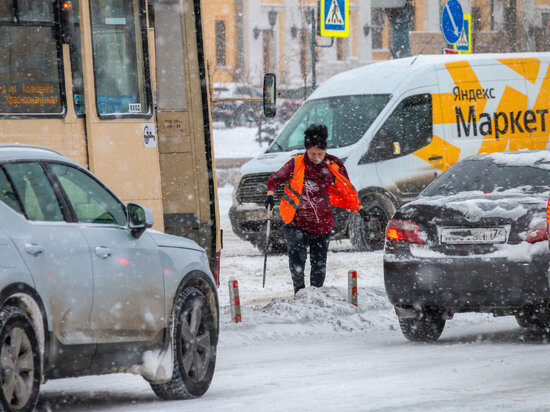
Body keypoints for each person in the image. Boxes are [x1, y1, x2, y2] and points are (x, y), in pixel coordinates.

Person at [265, 124, 368, 294]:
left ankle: (316, 294)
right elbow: (274, 180)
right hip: (296, 221)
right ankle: (299, 292)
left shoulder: (333, 164)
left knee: (319, 263)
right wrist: (270, 196)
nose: (316, 157)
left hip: (322, 223)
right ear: (306, 150)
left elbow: (347, 188)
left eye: (320, 154)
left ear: (325, 150)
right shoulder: (296, 164)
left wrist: (360, 207)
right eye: (312, 154)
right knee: (297, 259)